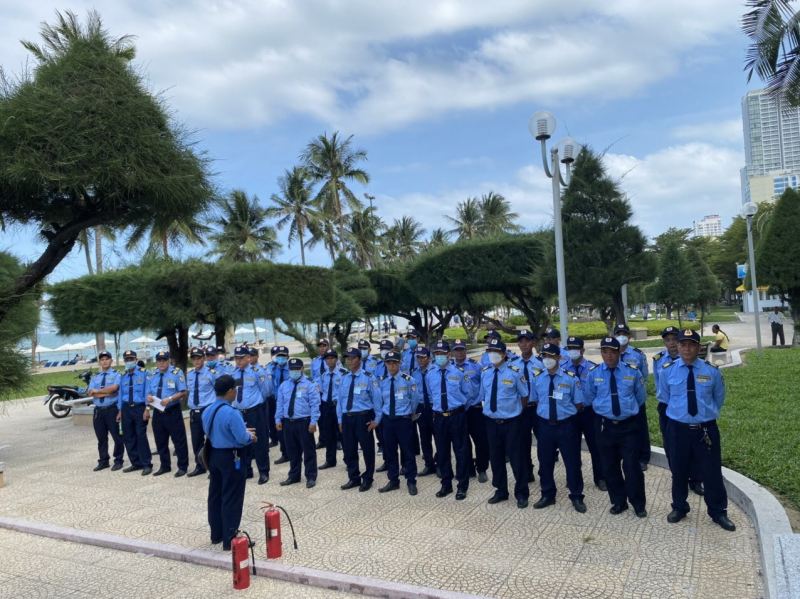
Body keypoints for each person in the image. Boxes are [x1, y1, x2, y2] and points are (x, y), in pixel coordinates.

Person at [658, 329, 736, 532]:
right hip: (678, 429)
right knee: (678, 470)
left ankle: (718, 511)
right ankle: (680, 507)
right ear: (678, 346)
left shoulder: (712, 371)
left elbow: (719, 398)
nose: (686, 348)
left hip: (705, 430)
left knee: (711, 472)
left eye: (691, 344)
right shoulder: (667, 370)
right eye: (683, 344)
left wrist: (703, 416)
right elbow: (665, 399)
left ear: (698, 348)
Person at [582, 337, 648, 518]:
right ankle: (619, 502)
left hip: (628, 427)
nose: (609, 356)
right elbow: (589, 398)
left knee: (632, 467)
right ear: (601, 353)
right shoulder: (593, 374)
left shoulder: (632, 372)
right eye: (605, 351)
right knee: (609, 467)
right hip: (605, 426)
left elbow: (640, 397)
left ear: (619, 353)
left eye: (613, 351)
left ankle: (638, 504)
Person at [530, 343, 586, 512]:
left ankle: (576, 496)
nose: (547, 359)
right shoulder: (537, 378)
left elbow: (578, 404)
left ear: (559, 358)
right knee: (545, 462)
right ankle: (547, 494)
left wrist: (563, 415)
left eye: (551, 356)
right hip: (545, 426)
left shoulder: (570, 378)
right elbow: (535, 400)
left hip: (566, 426)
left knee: (572, 463)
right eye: (544, 356)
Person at [203, 374, 256, 551]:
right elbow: (242, 438)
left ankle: (216, 534)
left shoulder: (208, 410)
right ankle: (230, 537)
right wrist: (250, 436)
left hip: (214, 455)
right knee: (232, 497)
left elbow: (215, 431)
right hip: (231, 457)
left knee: (215, 495)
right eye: (235, 389)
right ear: (230, 391)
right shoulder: (233, 412)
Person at [653, 327, 704, 496]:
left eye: (675, 339)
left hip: (690, 407)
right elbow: (659, 384)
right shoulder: (658, 359)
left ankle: (696, 479)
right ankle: (678, 475)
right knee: (671, 443)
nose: (672, 343)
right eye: (667, 340)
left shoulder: (694, 359)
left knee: (695, 443)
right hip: (667, 406)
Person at [480, 338, 530, 508]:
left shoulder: (515, 372)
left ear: (504, 354)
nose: (493, 355)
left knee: (517, 459)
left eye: (496, 352)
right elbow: (484, 396)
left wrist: (514, 412)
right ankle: (501, 490)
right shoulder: (485, 373)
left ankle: (521, 493)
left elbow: (524, 396)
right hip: (491, 423)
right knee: (496, 458)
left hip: (511, 423)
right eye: (490, 352)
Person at [427, 340, 477, 500]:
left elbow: (468, 395)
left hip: (457, 416)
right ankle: (446, 484)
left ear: (449, 354)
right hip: (439, 418)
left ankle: (462, 485)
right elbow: (430, 395)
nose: (440, 356)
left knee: (461, 451)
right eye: (437, 354)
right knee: (442, 452)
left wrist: (458, 409)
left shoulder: (459, 372)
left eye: (442, 353)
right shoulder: (430, 374)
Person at [336, 347, 382, 492]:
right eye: (347, 358)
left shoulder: (369, 377)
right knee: (349, 450)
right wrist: (340, 420)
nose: (349, 361)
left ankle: (368, 478)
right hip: (347, 418)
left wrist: (377, 420)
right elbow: (340, 400)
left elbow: (377, 400)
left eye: (352, 358)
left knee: (367, 449)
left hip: (363, 417)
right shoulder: (344, 377)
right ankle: (353, 477)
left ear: (359, 359)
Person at [563, 336, 605, 491]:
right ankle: (572, 479)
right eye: (570, 348)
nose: (573, 351)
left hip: (589, 413)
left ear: (582, 350)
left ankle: (600, 478)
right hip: (570, 414)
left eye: (576, 348)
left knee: (596, 447)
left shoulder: (593, 368)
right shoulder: (562, 368)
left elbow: (599, 392)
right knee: (570, 449)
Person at [378, 350, 420, 495]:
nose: (392, 365)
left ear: (400, 363)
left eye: (395, 362)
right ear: (385, 364)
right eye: (389, 363)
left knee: (408, 451)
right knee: (390, 452)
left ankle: (411, 481)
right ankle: (393, 480)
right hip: (388, 421)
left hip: (403, 421)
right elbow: (380, 401)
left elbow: (414, 401)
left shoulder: (408, 380)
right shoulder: (382, 381)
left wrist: (409, 414)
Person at [275, 358, 320, 488]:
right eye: (291, 369)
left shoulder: (310, 384)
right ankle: (294, 476)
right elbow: (280, 404)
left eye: (296, 369)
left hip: (304, 422)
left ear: (301, 369)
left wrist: (313, 422)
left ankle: (311, 476)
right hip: (288, 423)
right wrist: (278, 419)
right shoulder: (284, 385)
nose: (294, 371)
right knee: (292, 451)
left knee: (308, 450)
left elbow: (315, 404)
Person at [232, 345, 272, 485]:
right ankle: (246, 470)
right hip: (239, 413)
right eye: (236, 358)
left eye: (241, 358)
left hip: (255, 411)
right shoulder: (234, 373)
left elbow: (266, 391)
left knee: (259, 442)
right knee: (242, 442)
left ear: (248, 358)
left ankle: (263, 471)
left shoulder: (257, 372)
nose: (238, 361)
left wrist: (255, 402)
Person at [146, 351, 190, 477]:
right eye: (159, 360)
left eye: (164, 360)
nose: (161, 363)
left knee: (179, 440)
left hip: (172, 411)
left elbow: (183, 392)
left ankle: (182, 466)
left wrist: (170, 399)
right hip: (158, 412)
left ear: (169, 361)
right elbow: (149, 392)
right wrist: (148, 398)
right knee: (160, 440)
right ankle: (165, 466)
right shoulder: (152, 374)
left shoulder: (176, 373)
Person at [614, 323, 651, 471]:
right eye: (618, 334)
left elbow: (644, 376)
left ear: (629, 337)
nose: (621, 337)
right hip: (617, 398)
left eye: (624, 334)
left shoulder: (637, 354)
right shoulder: (611, 353)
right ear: (614, 336)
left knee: (640, 427)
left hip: (635, 398)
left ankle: (643, 457)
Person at [451, 339, 488, 483]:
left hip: (475, 409)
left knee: (480, 441)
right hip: (459, 411)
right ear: (453, 352)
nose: (459, 352)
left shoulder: (475, 366)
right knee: (462, 442)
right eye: (457, 350)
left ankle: (482, 469)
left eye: (461, 349)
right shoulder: (450, 369)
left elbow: (483, 384)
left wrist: (478, 399)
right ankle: (469, 469)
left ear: (465, 351)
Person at [116, 350, 152, 475]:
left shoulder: (144, 373)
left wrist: (147, 408)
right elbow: (120, 394)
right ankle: (136, 463)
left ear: (136, 360)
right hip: (126, 408)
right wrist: (120, 410)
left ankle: (147, 464)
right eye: (126, 359)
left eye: (131, 359)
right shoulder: (123, 376)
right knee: (128, 437)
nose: (129, 361)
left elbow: (148, 392)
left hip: (139, 408)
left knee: (141, 436)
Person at [511, 330, 541, 483]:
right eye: (521, 341)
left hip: (538, 409)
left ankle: (544, 471)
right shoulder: (513, 365)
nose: (524, 344)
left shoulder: (541, 363)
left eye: (527, 341)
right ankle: (527, 471)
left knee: (542, 442)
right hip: (521, 409)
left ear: (533, 343)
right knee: (523, 443)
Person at [86, 350, 123, 472]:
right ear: (99, 362)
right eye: (102, 359)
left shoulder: (117, 375)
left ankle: (118, 460)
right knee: (101, 438)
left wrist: (99, 392)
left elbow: (114, 389)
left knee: (117, 437)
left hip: (112, 410)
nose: (104, 361)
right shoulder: (95, 377)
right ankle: (103, 461)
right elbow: (90, 392)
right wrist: (106, 392)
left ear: (111, 360)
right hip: (99, 411)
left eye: (107, 359)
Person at [186, 347, 219, 477]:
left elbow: (219, 392)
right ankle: (200, 466)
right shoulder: (189, 375)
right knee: (196, 440)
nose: (196, 361)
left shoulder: (212, 373)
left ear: (204, 359)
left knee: (211, 440)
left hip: (208, 410)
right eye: (194, 358)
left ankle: (213, 468)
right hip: (195, 411)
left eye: (199, 358)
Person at [317, 348, 347, 469]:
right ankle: (330, 460)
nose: (329, 360)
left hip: (338, 406)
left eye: (332, 358)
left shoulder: (343, 373)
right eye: (327, 358)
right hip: (326, 406)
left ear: (336, 359)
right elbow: (322, 390)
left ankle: (348, 460)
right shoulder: (324, 375)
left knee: (344, 435)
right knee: (328, 434)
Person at [411, 346, 437, 476]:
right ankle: (429, 464)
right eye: (418, 357)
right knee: (424, 437)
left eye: (423, 357)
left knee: (439, 437)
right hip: (421, 407)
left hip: (434, 406)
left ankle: (441, 464)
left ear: (429, 358)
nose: (420, 360)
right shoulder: (414, 372)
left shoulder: (435, 370)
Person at [265, 346, 290, 464]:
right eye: (278, 356)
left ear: (287, 357)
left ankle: (293, 452)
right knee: (279, 428)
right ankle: (285, 453)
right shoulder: (272, 368)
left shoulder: (292, 369)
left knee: (290, 429)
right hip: (276, 402)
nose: (280, 358)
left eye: (283, 356)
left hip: (289, 402)